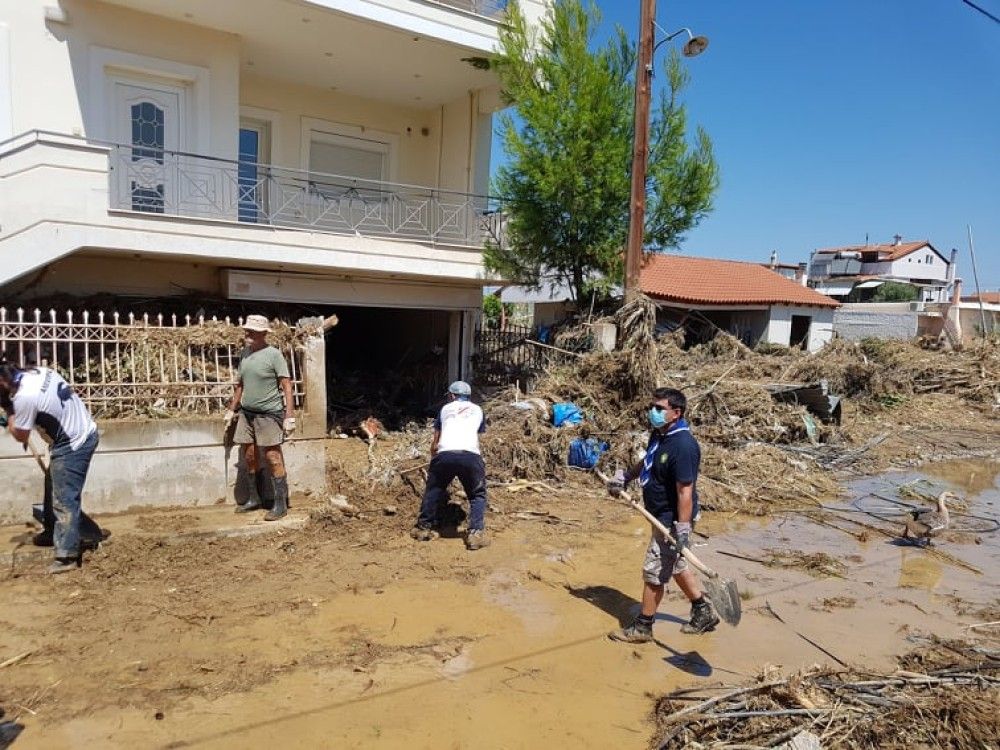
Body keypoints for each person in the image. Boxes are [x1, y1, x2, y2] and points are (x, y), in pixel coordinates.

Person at [608, 387, 720, 643]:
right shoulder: (659, 435)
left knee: (654, 571)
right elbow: (648, 460)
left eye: (660, 409)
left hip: (672, 519)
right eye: (653, 407)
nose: (653, 412)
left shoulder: (683, 445)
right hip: (657, 513)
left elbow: (685, 491)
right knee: (676, 564)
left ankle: (643, 626)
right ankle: (703, 611)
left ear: (676, 413)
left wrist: (681, 529)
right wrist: (625, 477)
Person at [0, 360, 100, 574]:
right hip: (81, 428)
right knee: (52, 483)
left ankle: (67, 556)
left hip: (73, 444)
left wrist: (9, 411)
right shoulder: (39, 372)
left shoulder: (24, 397)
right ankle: (51, 530)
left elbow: (21, 435)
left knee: (64, 499)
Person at [224, 315, 296, 521]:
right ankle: (254, 499)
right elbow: (240, 385)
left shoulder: (274, 355)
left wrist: (289, 416)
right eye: (246, 330)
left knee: (273, 457)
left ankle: (280, 504)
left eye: (252, 331)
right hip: (247, 414)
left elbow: (287, 385)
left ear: (264, 334)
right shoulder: (245, 354)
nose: (247, 334)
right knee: (249, 456)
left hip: (268, 414)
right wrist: (232, 409)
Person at [410, 380, 490, 551]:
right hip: (470, 455)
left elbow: (436, 437)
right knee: (477, 495)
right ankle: (475, 534)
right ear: (468, 396)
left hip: (445, 454)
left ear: (452, 396)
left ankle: (423, 528)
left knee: (433, 489)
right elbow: (478, 432)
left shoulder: (445, 409)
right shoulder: (478, 409)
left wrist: (434, 453)